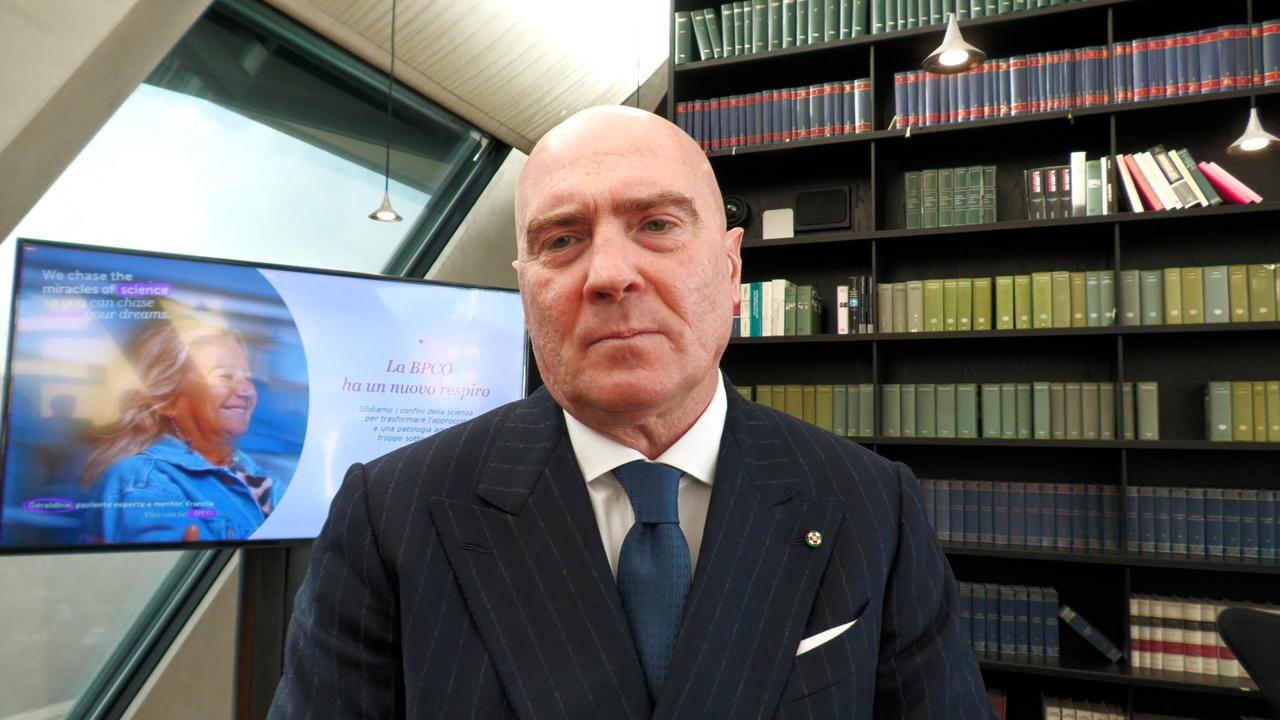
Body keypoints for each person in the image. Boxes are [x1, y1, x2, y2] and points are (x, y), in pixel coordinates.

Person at [270, 106, 992, 719]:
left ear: (732, 268)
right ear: (526, 289)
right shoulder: (390, 516)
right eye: (562, 240)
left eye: (656, 224)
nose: (610, 275)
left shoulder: (872, 504)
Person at [85, 307, 281, 543]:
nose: (247, 391)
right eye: (224, 376)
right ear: (167, 400)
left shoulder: (255, 475)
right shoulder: (144, 480)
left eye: (248, 378)